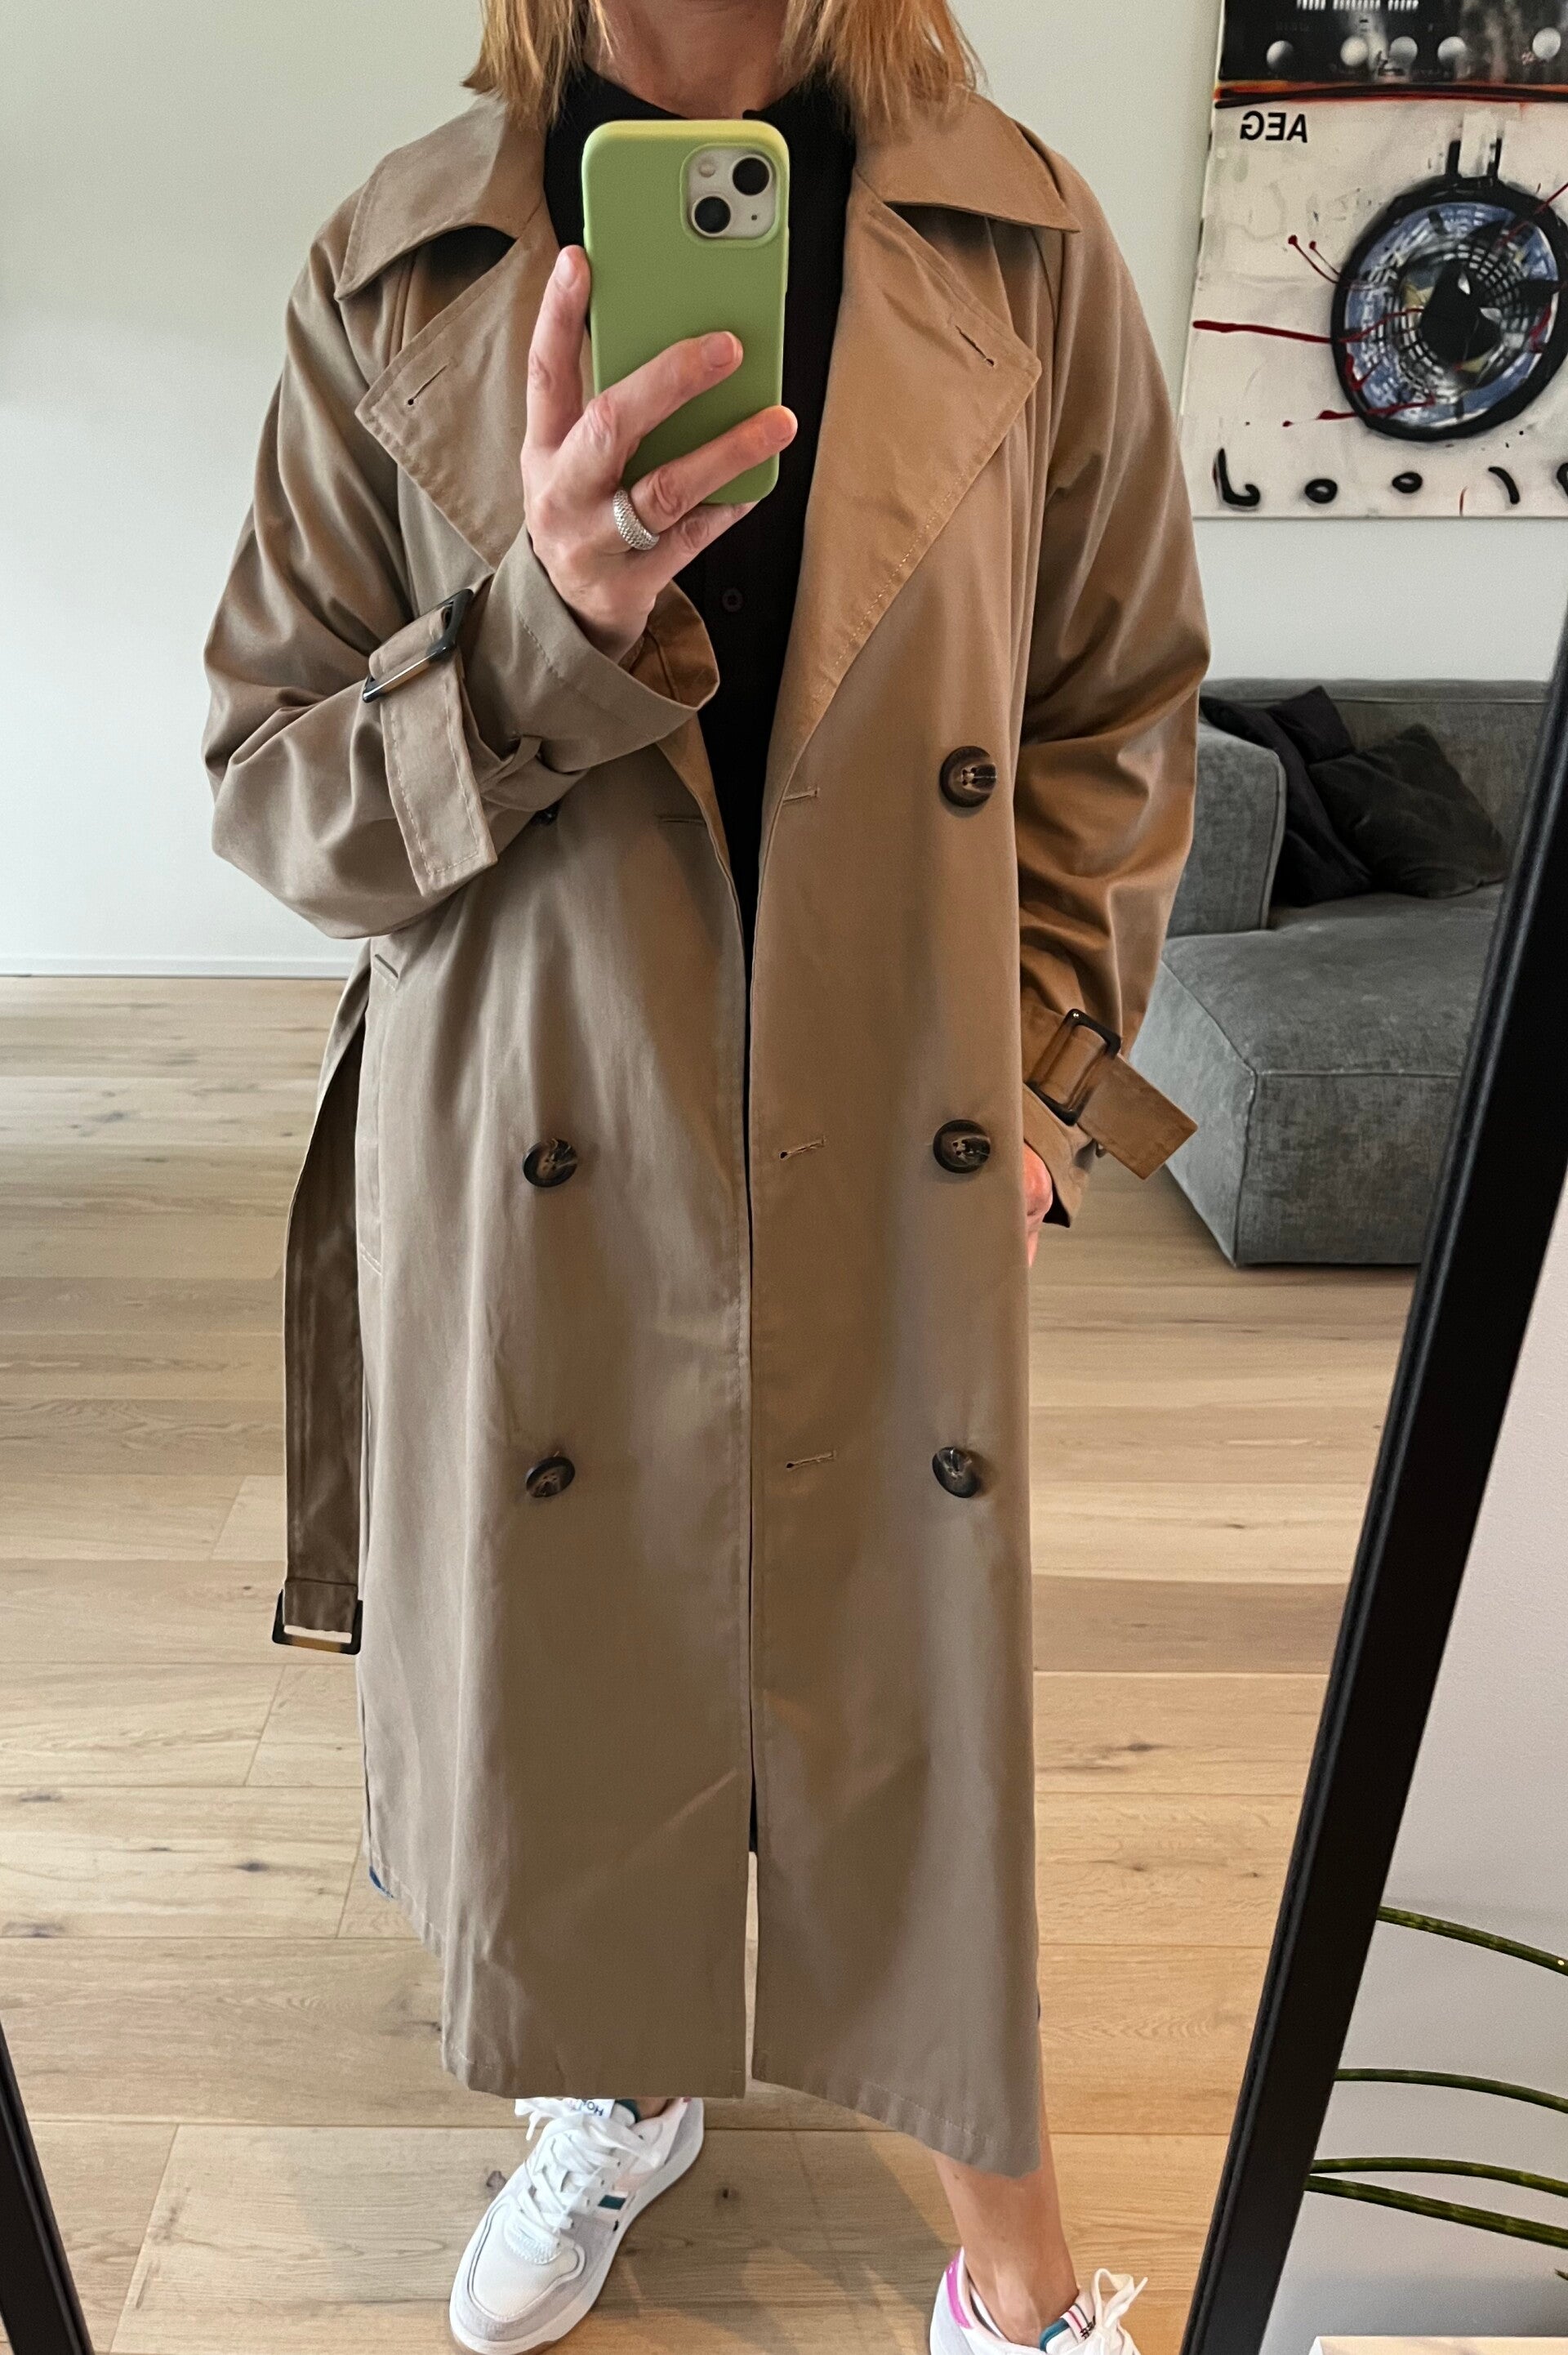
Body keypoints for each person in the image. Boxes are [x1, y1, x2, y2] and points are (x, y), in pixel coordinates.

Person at [203, 2, 1209, 2352]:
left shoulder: (1021, 243)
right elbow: (275, 788)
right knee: (590, 1640)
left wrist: (1044, 1074)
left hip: (893, 1101)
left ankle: (1013, 2260)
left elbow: (1117, 700)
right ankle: (627, 2080)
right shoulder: (399, 269)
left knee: (898, 1680)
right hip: (544, 1111)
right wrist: (538, 632)